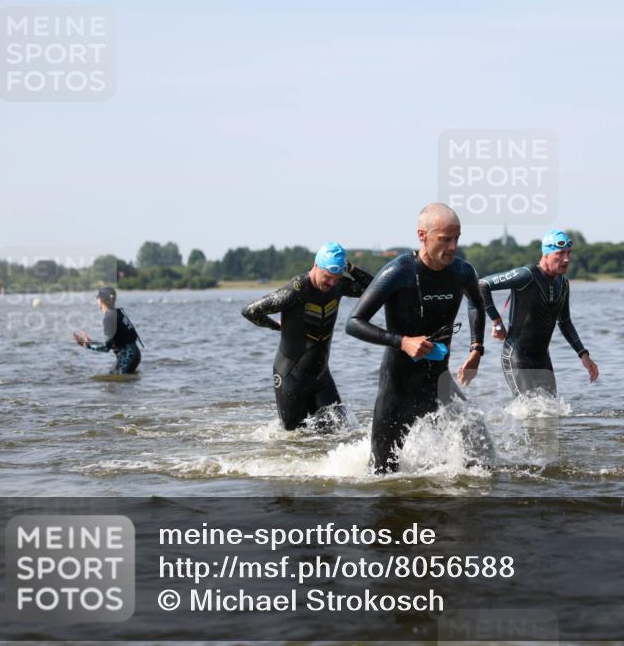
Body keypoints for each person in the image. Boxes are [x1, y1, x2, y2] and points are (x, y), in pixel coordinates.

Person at [346, 203, 486, 474]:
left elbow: (476, 304)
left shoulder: (462, 272)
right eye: (445, 239)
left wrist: (476, 349)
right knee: (383, 473)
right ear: (422, 236)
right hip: (398, 387)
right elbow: (354, 323)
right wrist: (403, 341)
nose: (453, 246)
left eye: (457, 238)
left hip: (439, 383)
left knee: (477, 463)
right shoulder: (399, 272)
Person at [242, 242, 373, 430]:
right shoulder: (296, 290)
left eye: (337, 278)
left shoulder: (338, 286)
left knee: (339, 432)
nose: (331, 283)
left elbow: (376, 289)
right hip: (291, 376)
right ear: (316, 265)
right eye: (328, 277)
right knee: (294, 439)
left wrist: (351, 268)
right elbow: (250, 311)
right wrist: (276, 327)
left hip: (321, 376)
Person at [476, 229, 599, 397]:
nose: (566, 259)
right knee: (530, 411)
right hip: (517, 356)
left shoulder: (563, 284)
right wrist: (497, 321)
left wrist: (583, 354)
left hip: (542, 358)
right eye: (560, 253)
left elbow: (565, 322)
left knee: (550, 414)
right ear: (546, 254)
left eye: (569, 253)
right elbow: (482, 285)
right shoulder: (526, 275)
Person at [74, 287, 143, 374]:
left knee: (113, 381)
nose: (97, 301)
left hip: (127, 357)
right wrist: (91, 343)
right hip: (134, 354)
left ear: (101, 300)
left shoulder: (109, 318)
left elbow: (106, 347)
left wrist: (87, 344)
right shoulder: (117, 312)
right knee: (117, 381)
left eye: (97, 298)